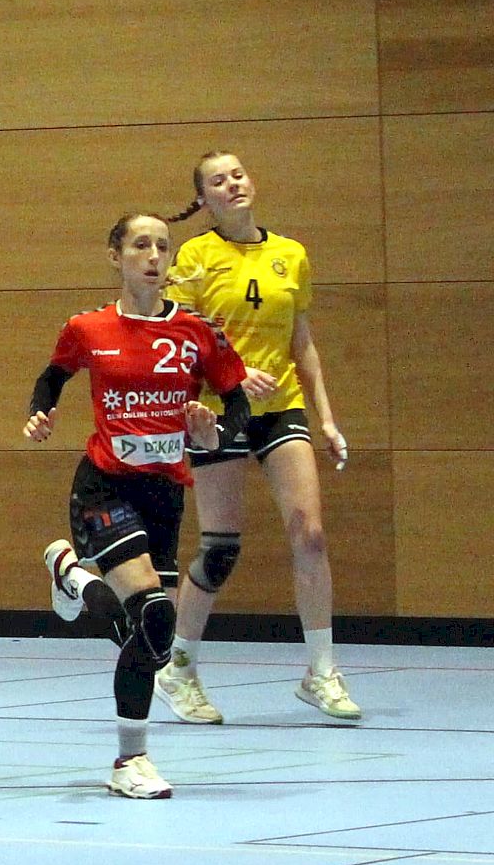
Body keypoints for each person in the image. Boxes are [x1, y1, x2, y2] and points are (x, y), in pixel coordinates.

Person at [29, 215, 268, 800]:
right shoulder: (88, 327)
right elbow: (53, 376)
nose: (154, 255)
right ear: (116, 256)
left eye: (163, 246)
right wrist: (42, 411)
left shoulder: (196, 331)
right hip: (104, 486)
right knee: (156, 614)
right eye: (141, 245)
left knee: (151, 633)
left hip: (164, 494)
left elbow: (235, 405)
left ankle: (72, 577)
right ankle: (129, 762)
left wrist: (212, 435)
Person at [153, 152, 358, 721]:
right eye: (218, 181)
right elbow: (177, 343)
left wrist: (327, 417)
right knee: (221, 549)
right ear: (205, 198)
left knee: (310, 534)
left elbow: (303, 343)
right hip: (216, 411)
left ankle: (321, 671)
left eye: (238, 174)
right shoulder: (194, 258)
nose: (232, 184)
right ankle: (179, 668)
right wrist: (231, 375)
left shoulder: (289, 254)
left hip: (280, 408)